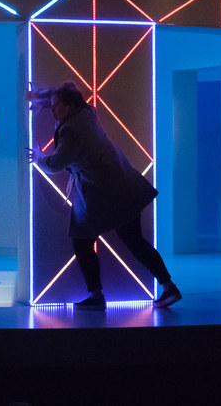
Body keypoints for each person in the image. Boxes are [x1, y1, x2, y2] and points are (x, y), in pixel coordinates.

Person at [32, 83, 180, 310]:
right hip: (122, 187)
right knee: (134, 241)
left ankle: (97, 297)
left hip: (106, 194)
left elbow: (57, 163)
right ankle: (168, 287)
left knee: (83, 240)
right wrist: (40, 96)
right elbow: (57, 94)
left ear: (69, 106)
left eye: (56, 107)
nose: (53, 110)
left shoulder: (71, 129)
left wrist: (38, 157)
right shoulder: (87, 113)